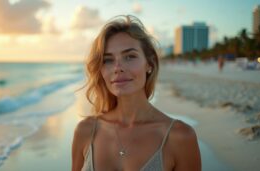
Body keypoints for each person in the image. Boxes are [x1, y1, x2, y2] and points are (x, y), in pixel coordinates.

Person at [72, 15, 201, 171]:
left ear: (150, 63)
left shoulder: (179, 137)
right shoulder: (85, 131)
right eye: (108, 60)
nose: (117, 67)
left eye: (130, 56)